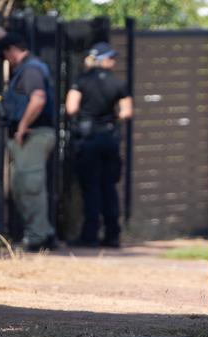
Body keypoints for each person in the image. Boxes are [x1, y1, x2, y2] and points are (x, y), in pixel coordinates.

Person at [65, 42, 133, 248]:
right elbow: (126, 112)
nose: (113, 61)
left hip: (87, 139)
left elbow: (71, 108)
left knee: (90, 188)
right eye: (111, 57)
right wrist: (111, 119)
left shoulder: (82, 81)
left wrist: (87, 116)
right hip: (109, 139)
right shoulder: (118, 83)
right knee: (109, 187)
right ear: (103, 59)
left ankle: (90, 235)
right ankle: (112, 235)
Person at [0, 32, 56, 251]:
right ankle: (43, 233)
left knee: (30, 187)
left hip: (33, 134)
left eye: (5, 55)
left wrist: (21, 127)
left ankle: (38, 236)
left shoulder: (30, 69)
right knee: (22, 186)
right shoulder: (29, 67)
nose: (6, 60)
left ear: (13, 50)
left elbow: (38, 99)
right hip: (30, 136)